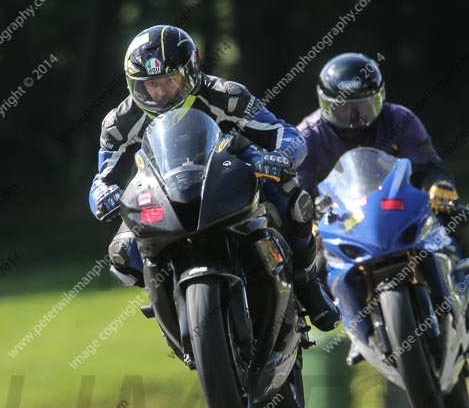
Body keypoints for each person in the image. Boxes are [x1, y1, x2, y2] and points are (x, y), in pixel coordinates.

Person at [89, 24, 340, 331]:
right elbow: (103, 178)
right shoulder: (119, 123)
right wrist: (103, 196)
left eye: (170, 80)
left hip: (229, 167)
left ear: (192, 71)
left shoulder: (226, 96)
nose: (161, 92)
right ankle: (170, 297)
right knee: (123, 256)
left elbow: (284, 133)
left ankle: (306, 281)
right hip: (158, 188)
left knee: (292, 199)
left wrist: (281, 156)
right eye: (150, 84)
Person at [296, 51, 469, 359]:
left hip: (403, 210)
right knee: (306, 266)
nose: (354, 117)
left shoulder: (399, 119)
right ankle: (350, 325)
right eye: (344, 109)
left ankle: (460, 295)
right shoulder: (308, 135)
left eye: (362, 107)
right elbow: (298, 191)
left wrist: (439, 187)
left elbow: (428, 165)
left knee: (461, 220)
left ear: (380, 98)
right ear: (325, 104)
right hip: (346, 224)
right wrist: (306, 221)